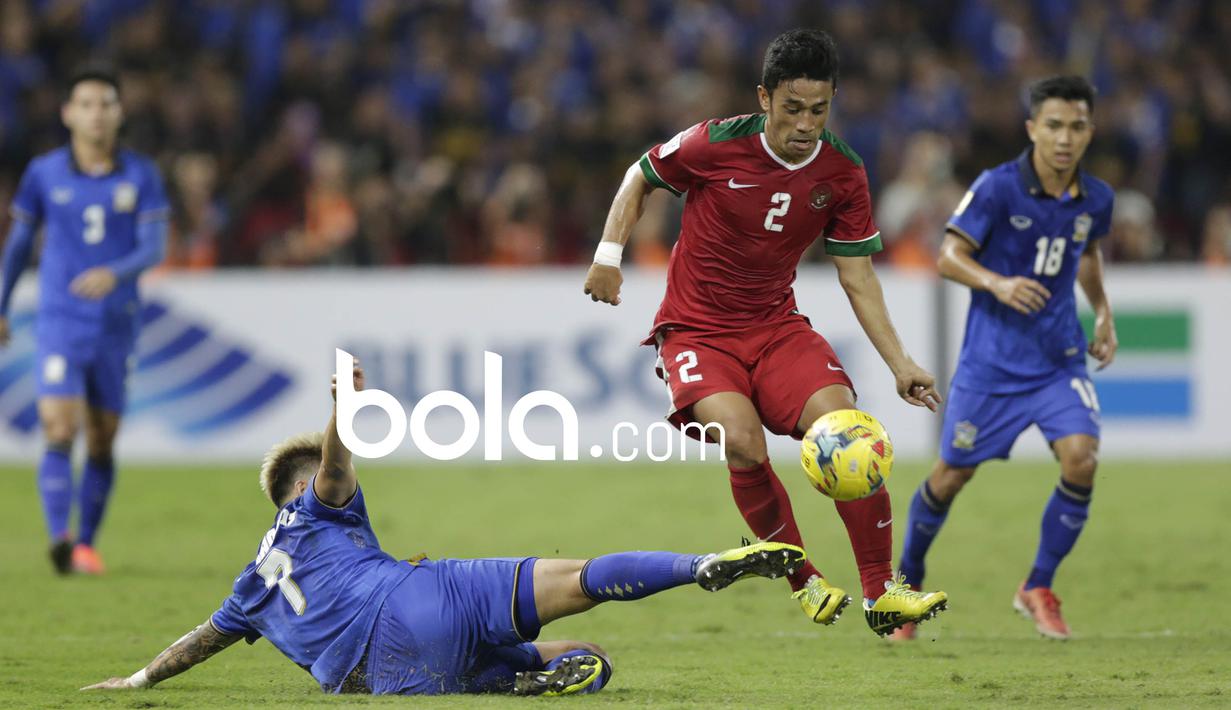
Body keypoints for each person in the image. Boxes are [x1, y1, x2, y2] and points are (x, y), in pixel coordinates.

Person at [81, 359, 806, 697]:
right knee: (582, 579)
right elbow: (334, 466)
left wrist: (138, 679)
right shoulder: (311, 504)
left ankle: (527, 680)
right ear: (295, 490)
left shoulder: (249, 586)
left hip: (380, 670)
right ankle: (696, 566)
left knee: (581, 658)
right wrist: (343, 409)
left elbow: (200, 641)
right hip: (421, 596)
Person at [582, 28, 947, 636]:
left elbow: (858, 278)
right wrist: (607, 256)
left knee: (848, 434)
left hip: (776, 328)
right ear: (764, 98)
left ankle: (882, 591)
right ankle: (804, 580)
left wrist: (900, 363)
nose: (805, 124)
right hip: (696, 332)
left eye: (818, 110)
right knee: (743, 441)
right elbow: (638, 176)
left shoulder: (843, 171)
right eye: (792, 108)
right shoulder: (713, 143)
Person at [895, 76, 1117, 641]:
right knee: (951, 476)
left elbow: (1086, 252)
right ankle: (907, 582)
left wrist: (1103, 313)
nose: (1064, 138)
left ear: (1089, 132)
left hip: (1058, 359)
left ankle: (1038, 586)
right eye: (1054, 126)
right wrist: (997, 282)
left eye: (1076, 127)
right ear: (1032, 129)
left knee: (1082, 458)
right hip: (991, 366)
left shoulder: (1096, 199)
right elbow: (948, 256)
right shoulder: (997, 187)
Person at [0, 65, 169, 575]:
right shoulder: (44, 173)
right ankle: (60, 537)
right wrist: (2, 305)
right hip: (60, 319)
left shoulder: (141, 174)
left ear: (119, 114)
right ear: (68, 114)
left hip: (116, 323)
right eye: (87, 104)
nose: (96, 114)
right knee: (58, 425)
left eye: (106, 104)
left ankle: (85, 545)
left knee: (101, 438)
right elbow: (19, 245)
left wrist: (113, 273)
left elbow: (153, 247)